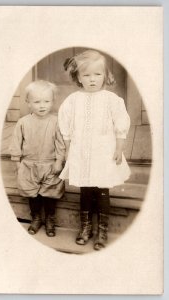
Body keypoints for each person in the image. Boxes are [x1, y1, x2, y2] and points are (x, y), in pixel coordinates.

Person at [58, 50, 131, 250]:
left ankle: (103, 230)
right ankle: (86, 227)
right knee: (85, 190)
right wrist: (66, 149)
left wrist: (119, 147)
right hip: (81, 151)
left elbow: (121, 123)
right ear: (78, 77)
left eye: (97, 74)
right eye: (86, 75)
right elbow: (65, 125)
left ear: (105, 75)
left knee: (102, 190)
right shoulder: (73, 100)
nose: (92, 80)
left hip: (103, 152)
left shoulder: (111, 99)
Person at [10, 80, 65, 237]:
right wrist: (17, 162)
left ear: (53, 101)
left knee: (50, 194)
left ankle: (50, 219)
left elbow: (61, 144)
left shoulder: (55, 122)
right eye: (37, 102)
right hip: (29, 165)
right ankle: (35, 218)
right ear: (28, 103)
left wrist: (59, 161)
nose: (42, 105)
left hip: (50, 165)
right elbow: (16, 143)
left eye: (46, 101)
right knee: (32, 194)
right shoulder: (23, 122)